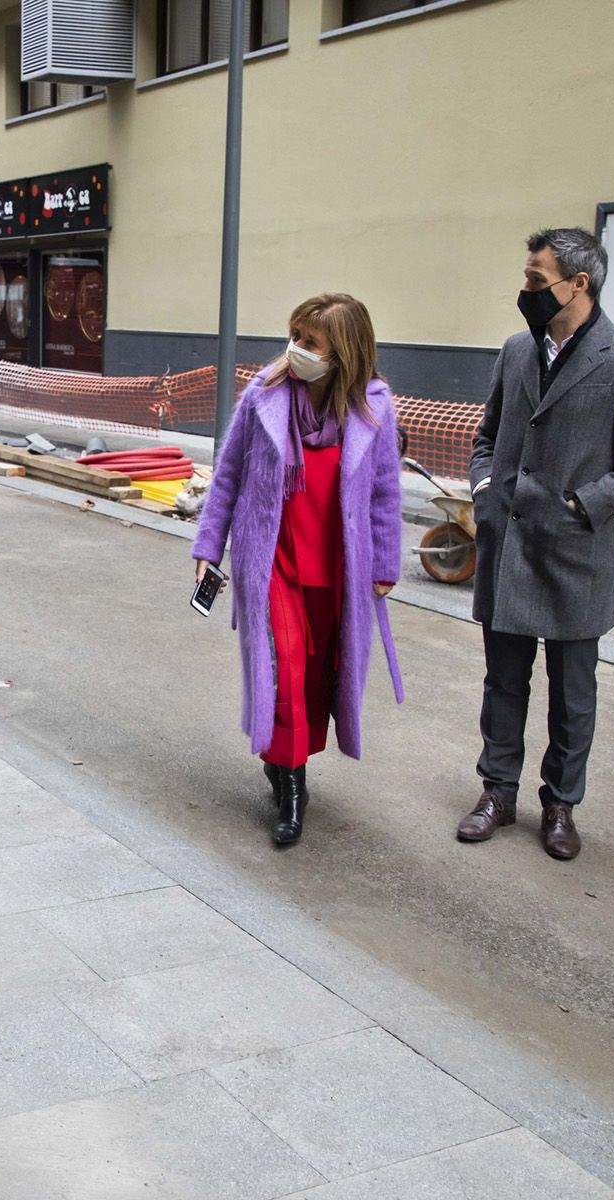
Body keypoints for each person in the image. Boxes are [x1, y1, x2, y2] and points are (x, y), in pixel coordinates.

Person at [458, 229, 614, 860]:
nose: (525, 288)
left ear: (578, 283)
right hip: (508, 546)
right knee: (503, 683)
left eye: (536, 279)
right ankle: (497, 793)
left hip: (576, 553)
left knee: (573, 694)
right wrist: (484, 488)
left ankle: (560, 805)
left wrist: (585, 504)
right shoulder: (515, 350)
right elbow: (487, 436)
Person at [191, 293, 404, 847]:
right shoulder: (263, 395)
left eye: (312, 342)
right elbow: (228, 475)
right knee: (282, 671)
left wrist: (385, 564)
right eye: (295, 336)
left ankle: (283, 758)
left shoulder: (373, 409)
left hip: (338, 568)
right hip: (273, 563)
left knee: (315, 677)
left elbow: (384, 493)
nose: (297, 349)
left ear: (345, 353)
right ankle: (292, 790)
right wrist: (209, 546)